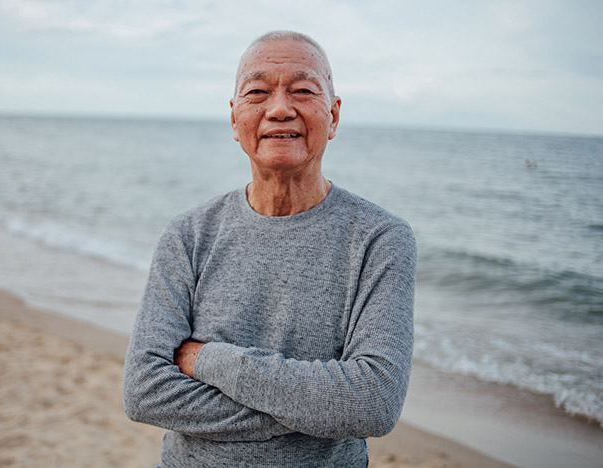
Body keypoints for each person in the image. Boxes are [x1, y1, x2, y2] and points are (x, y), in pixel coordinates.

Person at [123, 30, 417, 468]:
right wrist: (318, 409)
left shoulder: (380, 238)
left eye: (302, 90)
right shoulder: (188, 234)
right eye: (258, 92)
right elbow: (145, 392)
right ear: (234, 117)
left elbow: (373, 403)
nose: (279, 109)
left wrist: (208, 359)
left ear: (333, 117)